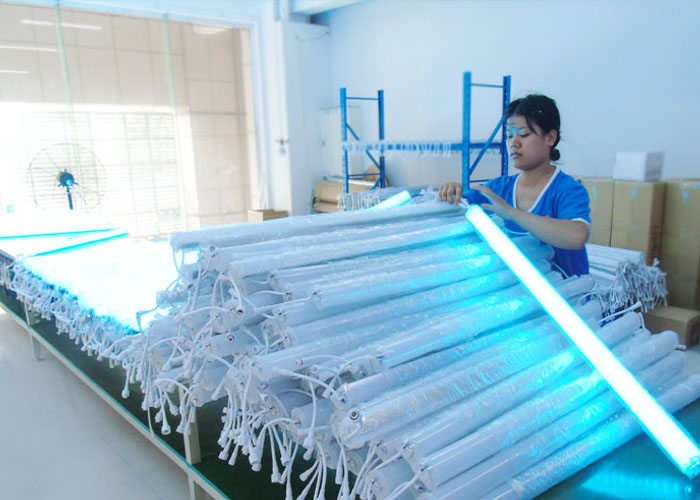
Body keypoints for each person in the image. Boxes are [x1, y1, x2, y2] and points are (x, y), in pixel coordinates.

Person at [439, 94, 590, 276]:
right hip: (517, 291)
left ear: (550, 138)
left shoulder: (566, 190)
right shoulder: (497, 189)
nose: (514, 143)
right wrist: (450, 190)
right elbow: (451, 205)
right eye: (509, 135)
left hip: (564, 291)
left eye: (524, 135)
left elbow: (577, 236)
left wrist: (511, 213)